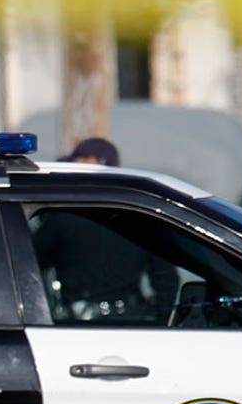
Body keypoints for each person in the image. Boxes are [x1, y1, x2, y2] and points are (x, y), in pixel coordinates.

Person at [34, 137, 179, 321]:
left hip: (75, 326)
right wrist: (162, 319)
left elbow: (27, 264)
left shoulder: (62, 219)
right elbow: (165, 278)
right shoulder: (141, 218)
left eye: (78, 166)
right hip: (133, 321)